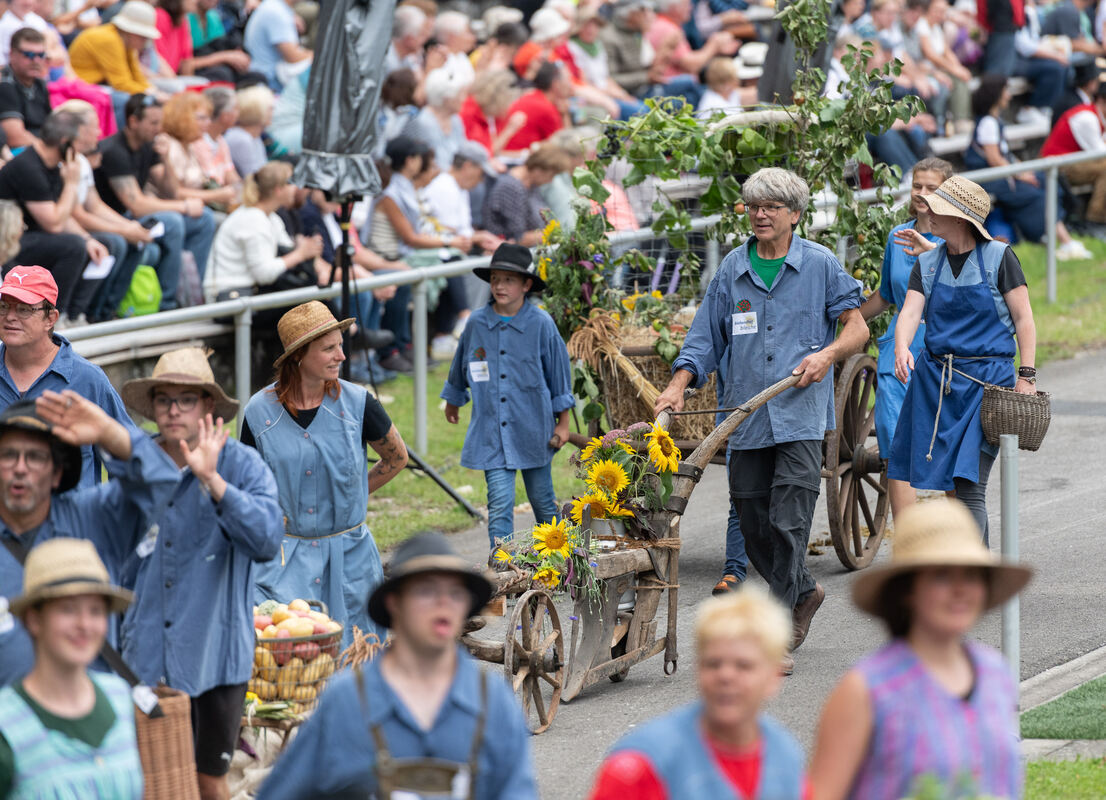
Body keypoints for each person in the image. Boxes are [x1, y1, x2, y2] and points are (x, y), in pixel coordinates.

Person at [652, 167, 867, 674]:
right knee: (752, 525)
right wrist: (678, 384)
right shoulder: (732, 269)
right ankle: (804, 592)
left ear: (795, 214)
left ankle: (772, 638)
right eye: (753, 205)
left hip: (798, 418)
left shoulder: (819, 265)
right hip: (745, 417)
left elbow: (856, 327)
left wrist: (827, 355)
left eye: (772, 206)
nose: (761, 214)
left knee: (789, 521)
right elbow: (706, 337)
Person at [258, 532, 537, 799]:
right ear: (394, 604)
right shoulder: (347, 702)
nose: (444, 602)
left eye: (456, 593)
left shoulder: (492, 703)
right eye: (427, 591)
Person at [119, 348, 282, 800]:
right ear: (151, 407)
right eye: (164, 399)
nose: (173, 410)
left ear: (208, 406)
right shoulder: (136, 466)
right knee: (150, 779)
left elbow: (267, 539)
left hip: (215, 652)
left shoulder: (241, 465)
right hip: (145, 653)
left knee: (209, 780)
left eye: (185, 399)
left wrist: (214, 483)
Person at [808, 499, 1031, 800]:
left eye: (971, 574)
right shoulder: (867, 690)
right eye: (941, 575)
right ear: (907, 589)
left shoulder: (996, 673)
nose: (960, 588)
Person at [241, 301, 409, 644]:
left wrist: (351, 495)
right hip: (283, 562)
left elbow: (396, 459)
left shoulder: (359, 404)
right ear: (299, 356)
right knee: (289, 662)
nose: (341, 356)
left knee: (358, 658)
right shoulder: (259, 413)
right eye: (329, 348)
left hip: (351, 562)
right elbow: (244, 485)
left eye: (341, 345)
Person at [888, 175, 1038, 544]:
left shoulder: (1000, 257)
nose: (927, 209)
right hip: (936, 385)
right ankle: (975, 573)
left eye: (938, 207)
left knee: (967, 483)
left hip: (988, 386)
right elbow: (909, 312)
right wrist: (902, 346)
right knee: (947, 483)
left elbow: (1024, 319)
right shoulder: (927, 264)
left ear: (960, 218)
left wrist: (1027, 376)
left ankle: (973, 574)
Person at [0, 390, 179, 686]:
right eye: (8, 455)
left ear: (57, 474)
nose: (20, 468)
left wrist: (110, 433)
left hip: (91, 723)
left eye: (35, 457)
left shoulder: (95, 517)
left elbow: (163, 484)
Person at [589, 587, 809, 798]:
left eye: (744, 666)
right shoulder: (640, 767)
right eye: (713, 664)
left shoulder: (785, 757)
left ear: (773, 678)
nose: (726, 676)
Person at [441, 243, 572, 552]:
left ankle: (556, 563)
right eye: (496, 278)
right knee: (499, 504)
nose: (499, 285)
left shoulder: (541, 324)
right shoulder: (476, 322)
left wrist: (562, 423)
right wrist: (454, 398)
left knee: (542, 501)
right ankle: (504, 569)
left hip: (533, 430)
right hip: (490, 433)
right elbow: (462, 361)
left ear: (526, 284)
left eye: (509, 279)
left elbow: (558, 376)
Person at [0, 538, 142, 798]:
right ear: (34, 619)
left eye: (96, 610)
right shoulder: (7, 726)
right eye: (68, 609)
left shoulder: (119, 697)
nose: (84, 624)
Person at [859, 158, 951, 519]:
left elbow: (966, 277)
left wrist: (929, 251)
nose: (922, 194)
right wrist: (847, 321)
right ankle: (909, 544)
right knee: (895, 443)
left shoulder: (957, 235)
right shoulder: (897, 235)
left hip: (945, 347)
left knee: (945, 441)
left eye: (932, 187)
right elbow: (886, 294)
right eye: (917, 186)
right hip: (898, 349)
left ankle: (961, 535)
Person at [0, 266, 138, 487]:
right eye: (3, 306)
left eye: (24, 309)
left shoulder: (88, 380)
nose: (10, 317)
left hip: (71, 520)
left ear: (51, 318)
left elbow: (131, 458)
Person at [94, 93, 217, 309]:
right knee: (173, 221)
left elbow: (170, 191)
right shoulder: (115, 150)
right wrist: (184, 206)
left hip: (132, 217)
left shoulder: (148, 145)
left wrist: (166, 157)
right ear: (133, 121)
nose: (159, 128)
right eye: (153, 123)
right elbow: (137, 205)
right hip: (113, 219)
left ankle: (190, 296)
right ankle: (168, 304)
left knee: (205, 219)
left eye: (160, 122)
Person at [0, 109, 109, 323]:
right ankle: (54, 317)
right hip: (9, 239)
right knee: (72, 246)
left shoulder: (53, 166)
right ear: (65, 142)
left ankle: (77, 314)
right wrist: (71, 183)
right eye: (76, 143)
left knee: (104, 244)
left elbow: (63, 215)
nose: (78, 150)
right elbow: (53, 224)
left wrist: (89, 240)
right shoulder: (28, 167)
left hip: (31, 234)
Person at [965, 74, 1090, 260]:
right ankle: (1064, 241)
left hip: (1003, 175)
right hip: (991, 180)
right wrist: (1021, 176)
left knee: (1047, 181)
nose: (1009, 95)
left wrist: (1024, 170)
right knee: (1037, 195)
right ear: (996, 94)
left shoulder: (994, 120)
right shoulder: (987, 123)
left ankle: (1052, 233)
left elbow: (1005, 155)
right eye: (1006, 91)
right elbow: (994, 159)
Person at [203, 161, 323, 301]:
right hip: (228, 296)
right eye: (290, 183)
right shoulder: (253, 219)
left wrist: (308, 253)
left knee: (310, 293)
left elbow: (288, 252)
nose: (295, 188)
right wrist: (301, 253)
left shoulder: (272, 218)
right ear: (278, 189)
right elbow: (264, 274)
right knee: (307, 301)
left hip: (250, 292)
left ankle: (345, 323)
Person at [69, 1, 166, 112]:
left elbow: (136, 76)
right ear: (131, 32)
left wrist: (152, 91)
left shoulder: (125, 41)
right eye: (143, 37)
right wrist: (152, 94)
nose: (145, 42)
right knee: (124, 99)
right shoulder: (109, 40)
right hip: (82, 87)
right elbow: (121, 84)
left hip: (98, 85)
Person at [1040, 82, 1106, 227]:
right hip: (1057, 165)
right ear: (1101, 100)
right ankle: (1095, 220)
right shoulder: (1087, 118)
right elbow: (1100, 153)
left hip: (1070, 161)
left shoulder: (1097, 116)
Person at [482, 144, 571, 246]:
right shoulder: (511, 187)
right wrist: (553, 234)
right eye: (551, 175)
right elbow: (518, 237)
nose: (550, 181)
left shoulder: (531, 186)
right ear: (538, 170)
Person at [402, 64, 470, 170]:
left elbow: (465, 152)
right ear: (447, 98)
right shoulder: (423, 122)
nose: (464, 99)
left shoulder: (455, 120)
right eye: (460, 94)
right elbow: (432, 163)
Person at [0, 28, 52, 150]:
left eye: (41, 55)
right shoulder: (5, 84)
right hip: (18, 153)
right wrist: (50, 152)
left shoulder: (40, 84)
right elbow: (15, 137)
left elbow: (51, 126)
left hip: (37, 146)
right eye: (29, 55)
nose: (36, 60)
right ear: (12, 54)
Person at [243, 0, 311, 91]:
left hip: (270, 76)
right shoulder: (276, 12)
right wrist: (318, 55)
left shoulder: (276, 7)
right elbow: (293, 57)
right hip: (268, 82)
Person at [503, 61, 571, 151]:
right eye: (568, 80)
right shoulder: (546, 108)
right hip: (517, 157)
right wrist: (565, 115)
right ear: (556, 84)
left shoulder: (534, 96)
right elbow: (567, 145)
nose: (571, 85)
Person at [223, 84, 273, 178]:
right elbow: (252, 177)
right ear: (257, 111)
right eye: (270, 109)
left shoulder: (255, 136)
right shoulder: (241, 138)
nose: (273, 113)